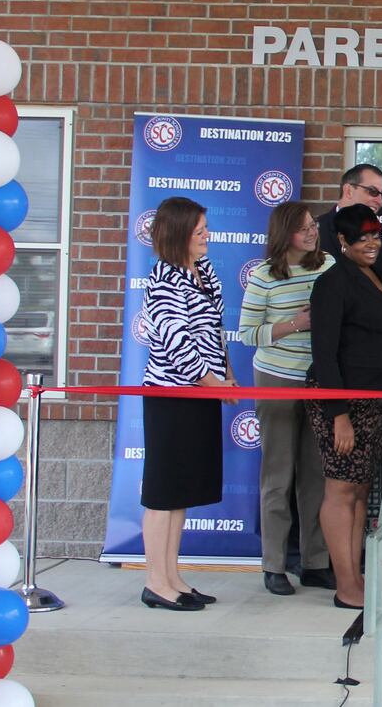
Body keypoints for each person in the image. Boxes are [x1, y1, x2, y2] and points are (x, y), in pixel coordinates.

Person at [139, 196, 237, 611]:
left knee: (180, 492)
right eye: (199, 232)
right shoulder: (163, 278)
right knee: (163, 492)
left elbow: (214, 328)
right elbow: (177, 343)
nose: (207, 237)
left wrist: (227, 374)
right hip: (172, 396)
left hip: (202, 392)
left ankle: (173, 576)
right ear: (179, 234)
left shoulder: (203, 272)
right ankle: (155, 582)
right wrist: (213, 382)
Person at [308, 204, 382, 611]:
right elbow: (324, 353)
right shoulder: (332, 282)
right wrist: (338, 414)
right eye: (362, 237)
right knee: (341, 488)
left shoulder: (376, 275)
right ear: (342, 241)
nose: (372, 243)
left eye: (376, 235)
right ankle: (345, 584)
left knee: (361, 489)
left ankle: (356, 575)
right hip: (343, 401)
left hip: (375, 400)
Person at [238, 202, 336, 597]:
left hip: (318, 382)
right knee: (278, 476)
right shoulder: (263, 276)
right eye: (302, 229)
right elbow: (247, 334)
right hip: (276, 379)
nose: (312, 233)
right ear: (283, 235)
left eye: (313, 225)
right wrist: (296, 323)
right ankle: (274, 565)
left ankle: (315, 562)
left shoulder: (328, 264)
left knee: (316, 477)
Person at [317, 163, 382, 277]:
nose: (379, 201)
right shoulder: (316, 232)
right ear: (348, 191)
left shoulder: (380, 241)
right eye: (373, 191)